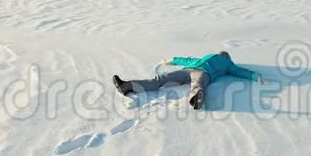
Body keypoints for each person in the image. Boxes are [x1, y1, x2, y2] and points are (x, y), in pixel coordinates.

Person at [113, 51, 265, 110]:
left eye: (223, 54)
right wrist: (172, 60)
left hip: (204, 73)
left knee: (198, 85)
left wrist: (254, 76)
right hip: (189, 70)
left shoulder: (228, 64)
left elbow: (239, 71)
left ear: (226, 57)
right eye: (221, 53)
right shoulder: (205, 57)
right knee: (161, 79)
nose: (221, 54)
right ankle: (127, 86)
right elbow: (187, 60)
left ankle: (196, 100)